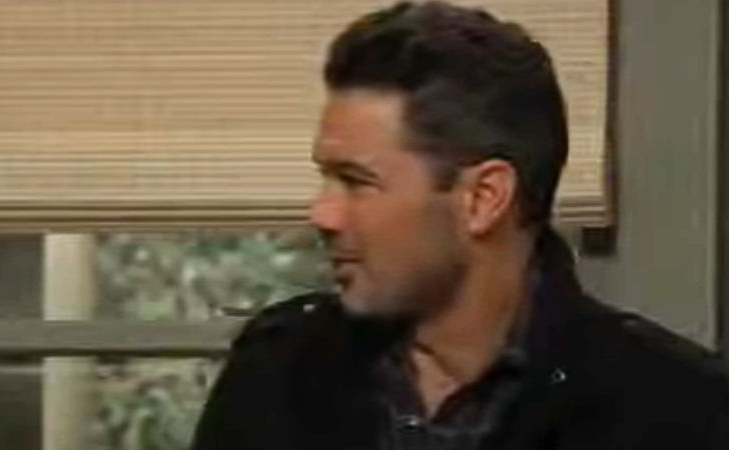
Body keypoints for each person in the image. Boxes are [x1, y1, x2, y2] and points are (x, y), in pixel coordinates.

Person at [191, 2, 729, 449]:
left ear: (483, 198)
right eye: (326, 178)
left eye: (356, 181)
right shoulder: (275, 375)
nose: (322, 214)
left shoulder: (677, 410)